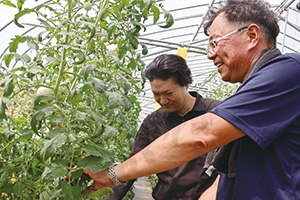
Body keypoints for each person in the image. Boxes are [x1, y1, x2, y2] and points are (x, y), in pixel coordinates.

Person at [84, 0, 300, 199]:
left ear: (252, 35)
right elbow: (224, 179)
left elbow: (201, 135)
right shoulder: (250, 97)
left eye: (215, 43)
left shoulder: (288, 71)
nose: (210, 54)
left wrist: (114, 174)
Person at [111, 54, 220, 200]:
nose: (162, 100)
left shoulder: (216, 113)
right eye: (156, 94)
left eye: (169, 93)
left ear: (186, 83)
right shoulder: (153, 122)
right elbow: (134, 164)